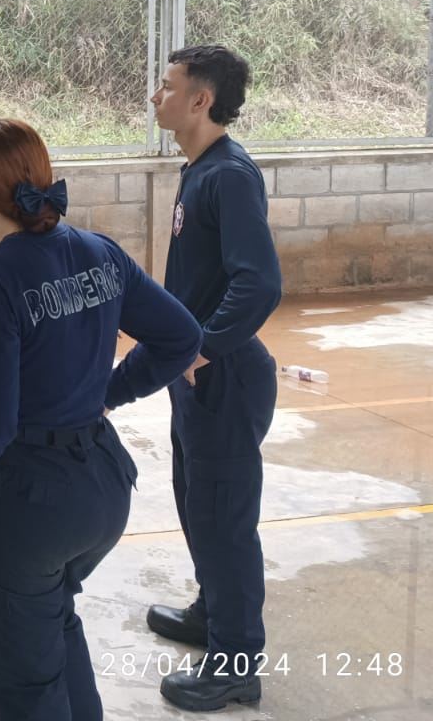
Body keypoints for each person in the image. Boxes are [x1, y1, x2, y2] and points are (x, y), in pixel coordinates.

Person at [0, 119, 203, 721]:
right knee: (53, 623)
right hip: (101, 487)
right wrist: (110, 391)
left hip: (25, 503)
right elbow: (181, 336)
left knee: (24, 681)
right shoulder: (97, 251)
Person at [147, 46, 283, 712]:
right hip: (198, 378)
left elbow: (260, 282)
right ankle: (213, 613)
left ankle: (235, 664)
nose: (156, 96)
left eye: (167, 86)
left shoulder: (229, 175)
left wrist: (201, 348)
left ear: (201, 100)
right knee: (196, 500)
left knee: (226, 520)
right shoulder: (198, 169)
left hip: (225, 377)